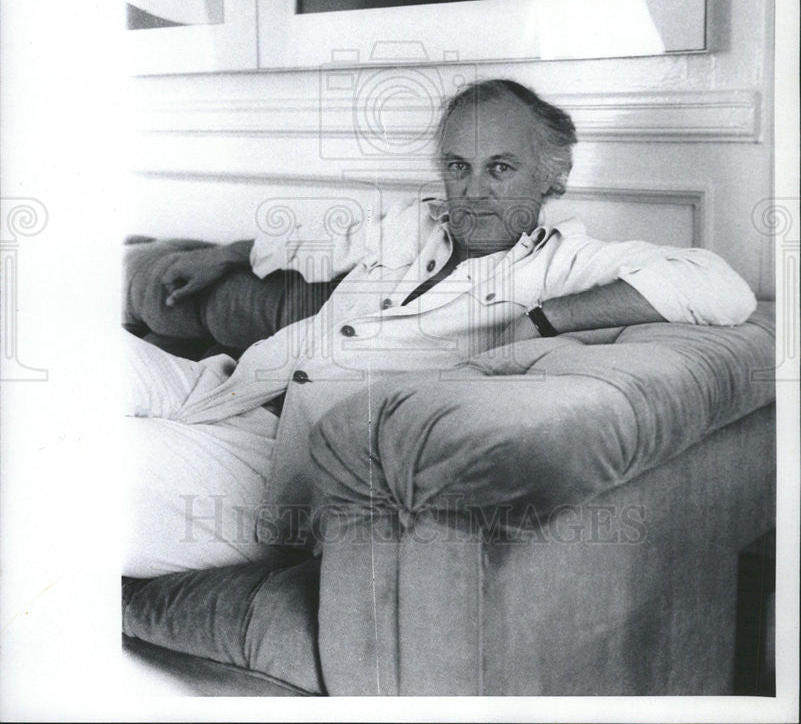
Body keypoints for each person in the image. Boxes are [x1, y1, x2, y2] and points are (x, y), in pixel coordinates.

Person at [123, 79, 756, 577]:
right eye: (457, 166)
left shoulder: (565, 262)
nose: (472, 192)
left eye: (500, 168)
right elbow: (313, 246)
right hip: (225, 386)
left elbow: (719, 288)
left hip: (284, 466)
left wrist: (543, 320)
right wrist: (227, 255)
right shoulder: (413, 222)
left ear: (552, 176)